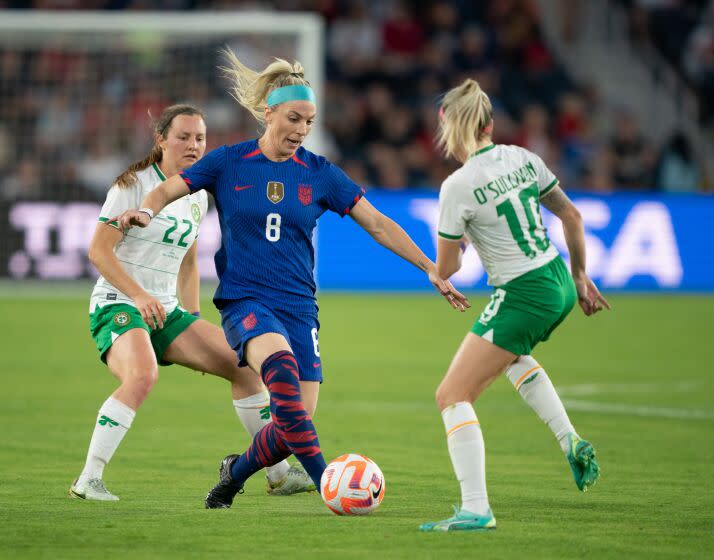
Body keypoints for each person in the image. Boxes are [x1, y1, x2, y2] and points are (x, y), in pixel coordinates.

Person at [114, 54, 469, 509]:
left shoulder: (318, 172)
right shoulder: (228, 162)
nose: (302, 129)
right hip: (246, 301)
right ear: (270, 114)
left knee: (291, 425)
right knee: (278, 371)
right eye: (294, 118)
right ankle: (331, 485)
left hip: (300, 308)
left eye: (309, 121)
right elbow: (166, 188)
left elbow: (378, 224)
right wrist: (146, 209)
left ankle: (234, 474)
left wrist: (430, 268)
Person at [70, 104, 313, 501]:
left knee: (246, 370)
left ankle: (279, 474)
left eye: (200, 137)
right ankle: (89, 479)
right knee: (142, 375)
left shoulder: (196, 194)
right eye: (183, 137)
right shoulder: (131, 185)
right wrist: (138, 294)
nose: (194, 145)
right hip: (119, 302)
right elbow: (99, 251)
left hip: (166, 310)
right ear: (161, 140)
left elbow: (187, 261)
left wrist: (194, 321)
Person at [420, 79, 610, 532]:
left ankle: (476, 508)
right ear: (489, 124)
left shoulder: (457, 186)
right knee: (511, 355)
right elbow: (572, 215)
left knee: (451, 395)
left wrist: (452, 252)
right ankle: (570, 441)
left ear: (449, 129)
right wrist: (581, 276)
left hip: (522, 292)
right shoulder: (523, 158)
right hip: (558, 279)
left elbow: (446, 267)